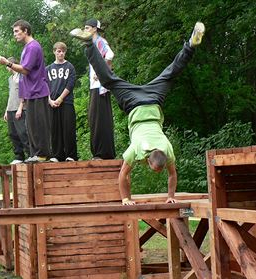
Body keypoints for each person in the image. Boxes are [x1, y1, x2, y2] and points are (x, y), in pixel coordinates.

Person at [70, 22, 205, 205]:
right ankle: (88, 44)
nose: (156, 171)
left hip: (152, 98)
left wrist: (171, 197)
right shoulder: (136, 149)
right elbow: (123, 175)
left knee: (170, 73)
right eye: (155, 170)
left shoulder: (167, 148)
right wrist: (126, 198)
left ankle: (191, 44)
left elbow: (171, 174)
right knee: (108, 80)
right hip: (135, 103)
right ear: (150, 162)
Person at [0, 20, 51, 163]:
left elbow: (25, 70)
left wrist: (7, 63)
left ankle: (42, 154)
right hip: (31, 93)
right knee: (31, 126)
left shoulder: (33, 47)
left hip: (39, 91)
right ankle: (35, 154)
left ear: (25, 31)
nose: (14, 34)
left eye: (16, 31)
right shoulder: (27, 47)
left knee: (39, 125)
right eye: (14, 31)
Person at [84, 19, 116, 160]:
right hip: (94, 86)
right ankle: (99, 153)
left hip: (100, 86)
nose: (85, 30)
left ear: (94, 29)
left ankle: (103, 153)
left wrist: (102, 71)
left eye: (87, 28)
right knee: (94, 118)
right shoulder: (91, 43)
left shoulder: (100, 42)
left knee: (100, 119)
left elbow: (110, 55)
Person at [46, 42, 78, 162]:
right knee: (55, 130)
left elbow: (70, 84)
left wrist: (60, 98)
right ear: (54, 51)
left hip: (67, 102)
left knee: (68, 128)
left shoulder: (70, 67)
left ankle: (71, 155)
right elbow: (45, 86)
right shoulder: (48, 69)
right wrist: (49, 100)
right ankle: (57, 155)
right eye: (58, 51)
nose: (61, 53)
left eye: (63, 51)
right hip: (52, 103)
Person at [4, 57, 30, 164]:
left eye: (7, 65)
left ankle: (30, 154)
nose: (6, 68)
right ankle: (19, 156)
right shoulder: (10, 79)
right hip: (11, 108)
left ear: (12, 64)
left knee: (23, 132)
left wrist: (20, 108)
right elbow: (10, 95)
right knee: (13, 133)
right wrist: (6, 110)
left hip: (20, 108)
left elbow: (24, 93)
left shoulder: (22, 76)